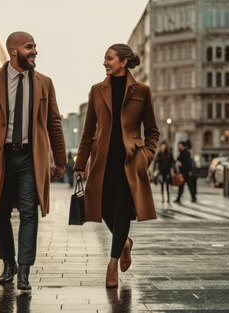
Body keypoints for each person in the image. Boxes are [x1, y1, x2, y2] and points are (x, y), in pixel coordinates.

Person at [0, 31, 66, 290]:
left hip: (30, 157)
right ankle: (9, 263)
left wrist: (60, 159)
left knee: (30, 213)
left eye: (35, 46)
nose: (35, 51)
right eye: (30, 47)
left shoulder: (44, 83)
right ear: (14, 50)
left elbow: (54, 122)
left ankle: (25, 269)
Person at [74, 44, 159, 288]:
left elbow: (152, 130)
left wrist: (147, 155)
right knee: (100, 208)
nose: (105, 62)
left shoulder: (142, 91)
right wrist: (80, 163)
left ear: (123, 62)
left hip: (130, 162)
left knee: (122, 209)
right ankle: (124, 243)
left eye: (109, 58)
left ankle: (112, 264)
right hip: (102, 161)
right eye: (104, 58)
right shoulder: (97, 90)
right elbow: (89, 130)